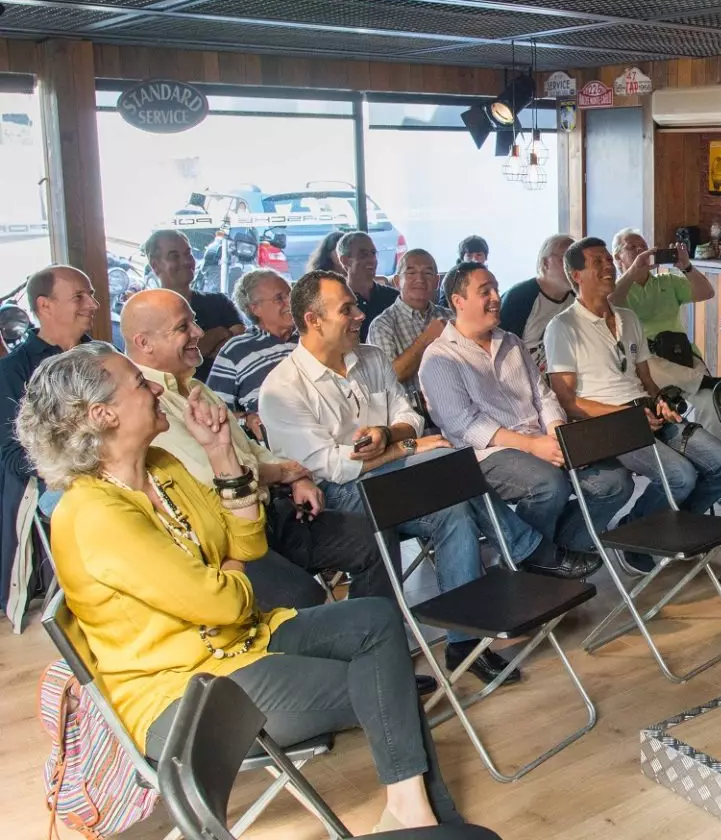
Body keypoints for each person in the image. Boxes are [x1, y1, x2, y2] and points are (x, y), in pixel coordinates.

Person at [17, 342, 462, 830]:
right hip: (188, 694)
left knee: (375, 621)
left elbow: (244, 545)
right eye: (139, 384)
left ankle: (409, 811)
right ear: (102, 415)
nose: (152, 389)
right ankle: (423, 818)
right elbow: (222, 602)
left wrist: (223, 456)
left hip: (241, 642)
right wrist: (227, 572)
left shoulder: (161, 466)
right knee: (387, 681)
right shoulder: (93, 515)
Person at [259, 270, 530, 685]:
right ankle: (526, 550)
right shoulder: (283, 387)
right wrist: (403, 447)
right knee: (448, 462)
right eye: (346, 309)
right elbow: (329, 466)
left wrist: (390, 435)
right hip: (335, 497)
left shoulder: (368, 358)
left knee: (454, 512)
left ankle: (464, 643)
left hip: (395, 479)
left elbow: (409, 417)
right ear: (313, 321)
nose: (359, 315)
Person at [123, 288, 389, 612]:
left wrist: (294, 478)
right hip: (226, 541)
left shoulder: (195, 386)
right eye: (183, 328)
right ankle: (345, 646)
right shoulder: (146, 405)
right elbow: (212, 478)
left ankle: (367, 634)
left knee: (376, 536)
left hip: (271, 515)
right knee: (303, 598)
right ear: (143, 343)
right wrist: (282, 472)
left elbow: (249, 448)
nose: (199, 333)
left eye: (194, 322)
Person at [545, 238, 721, 575]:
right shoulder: (563, 327)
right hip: (607, 425)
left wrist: (659, 402)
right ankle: (636, 540)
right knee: (680, 475)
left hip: (644, 412)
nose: (608, 266)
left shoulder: (627, 317)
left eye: (609, 259)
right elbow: (568, 402)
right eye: (598, 262)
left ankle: (668, 530)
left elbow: (647, 381)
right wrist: (628, 416)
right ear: (576, 274)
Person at [420, 262, 629, 579]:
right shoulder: (439, 358)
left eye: (495, 288)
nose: (495, 297)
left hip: (541, 441)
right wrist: (532, 446)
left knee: (615, 483)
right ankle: (531, 569)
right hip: (487, 454)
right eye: (484, 291)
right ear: (457, 301)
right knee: (547, 484)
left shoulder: (512, 342)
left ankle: (549, 557)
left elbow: (543, 396)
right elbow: (465, 425)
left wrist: (557, 431)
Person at [0, 266, 97, 623]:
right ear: (45, 305)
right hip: (62, 483)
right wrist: (81, 468)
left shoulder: (103, 356)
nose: (94, 304)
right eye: (80, 297)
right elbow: (12, 455)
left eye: (91, 295)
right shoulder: (14, 371)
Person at [610, 227, 721, 440]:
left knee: (711, 400)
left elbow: (707, 293)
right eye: (632, 247)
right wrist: (632, 272)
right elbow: (609, 304)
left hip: (680, 354)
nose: (639, 250)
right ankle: (704, 380)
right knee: (647, 361)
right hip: (644, 364)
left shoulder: (667, 281)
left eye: (643, 247)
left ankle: (717, 461)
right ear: (617, 257)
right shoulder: (617, 288)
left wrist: (686, 266)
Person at [207, 268, 298, 442]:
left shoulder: (309, 337)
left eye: (291, 295)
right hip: (278, 448)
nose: (290, 302)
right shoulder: (236, 350)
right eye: (280, 298)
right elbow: (213, 412)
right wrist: (246, 420)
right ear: (255, 308)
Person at [144, 229, 246, 382]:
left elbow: (240, 349)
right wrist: (220, 333)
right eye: (174, 256)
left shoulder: (219, 302)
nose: (185, 261)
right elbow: (168, 365)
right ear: (155, 265)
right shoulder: (146, 313)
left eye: (187, 254)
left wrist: (189, 350)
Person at [367, 249, 451, 413]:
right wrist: (426, 339)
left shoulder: (450, 316)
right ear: (397, 281)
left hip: (458, 407)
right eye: (411, 273)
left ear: (436, 281)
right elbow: (390, 378)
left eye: (427, 273)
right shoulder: (382, 325)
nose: (420, 279)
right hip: (413, 417)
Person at [499, 233, 576, 371]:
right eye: (566, 259)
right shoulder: (519, 297)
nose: (573, 266)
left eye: (576, 259)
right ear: (545, 263)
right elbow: (498, 348)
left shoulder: (577, 298)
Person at [337, 231, 399, 340]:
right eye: (363, 254)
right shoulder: (337, 301)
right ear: (345, 261)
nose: (372, 259)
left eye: (373, 253)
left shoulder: (393, 298)